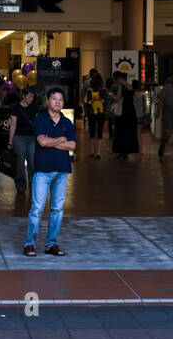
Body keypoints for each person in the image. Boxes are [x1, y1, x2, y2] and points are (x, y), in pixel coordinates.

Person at [24, 86, 76, 256]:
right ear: (48, 101)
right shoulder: (40, 119)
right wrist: (61, 139)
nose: (58, 102)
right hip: (43, 171)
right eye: (54, 99)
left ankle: (51, 244)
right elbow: (42, 143)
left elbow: (73, 145)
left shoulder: (67, 122)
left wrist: (52, 141)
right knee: (37, 208)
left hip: (62, 171)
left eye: (60, 100)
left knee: (57, 209)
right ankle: (29, 243)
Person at [8, 85, 38, 191]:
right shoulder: (16, 108)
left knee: (32, 161)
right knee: (20, 161)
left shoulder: (34, 108)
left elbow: (37, 123)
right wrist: (10, 141)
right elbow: (13, 125)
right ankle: (21, 183)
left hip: (31, 137)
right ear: (24, 96)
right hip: (19, 137)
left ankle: (32, 184)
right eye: (30, 97)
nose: (31, 99)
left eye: (32, 97)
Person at [111, 74, 138, 160]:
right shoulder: (131, 86)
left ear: (120, 79)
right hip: (131, 111)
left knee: (121, 131)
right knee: (130, 131)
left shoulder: (120, 86)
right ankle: (129, 150)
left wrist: (111, 95)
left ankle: (122, 151)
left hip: (124, 111)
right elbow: (134, 99)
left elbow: (118, 99)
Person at [84, 70, 108, 160]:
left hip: (91, 113)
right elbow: (105, 102)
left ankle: (92, 151)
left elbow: (87, 102)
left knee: (92, 132)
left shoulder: (89, 90)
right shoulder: (103, 90)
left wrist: (86, 114)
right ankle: (98, 153)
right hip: (101, 113)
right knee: (100, 132)